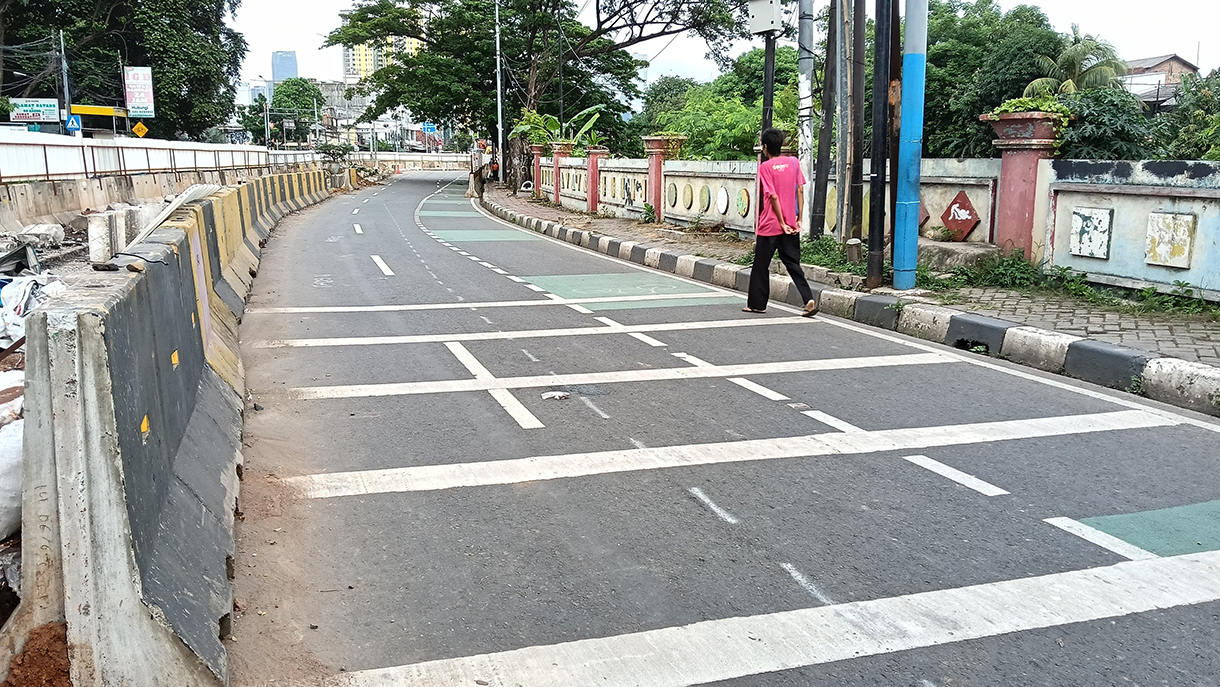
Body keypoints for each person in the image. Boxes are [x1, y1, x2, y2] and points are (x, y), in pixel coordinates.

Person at [744, 128, 818, 317]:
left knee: (761, 265)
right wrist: (798, 219)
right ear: (782, 145)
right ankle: (808, 299)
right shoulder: (793, 162)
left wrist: (781, 222)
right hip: (791, 225)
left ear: (765, 147)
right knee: (793, 264)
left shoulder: (765, 167)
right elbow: (799, 191)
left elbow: (773, 196)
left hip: (770, 225)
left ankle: (757, 305)